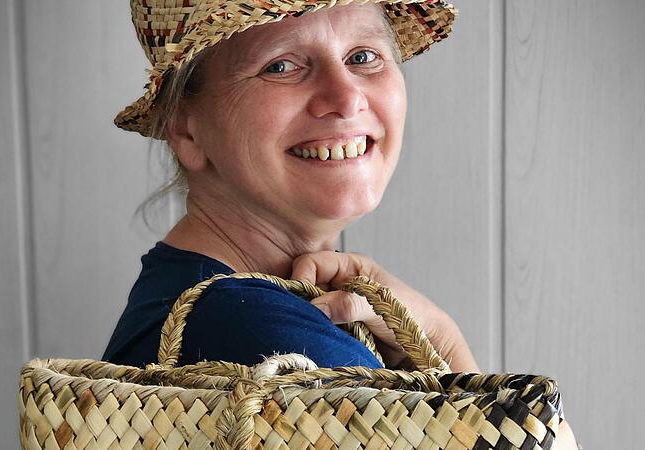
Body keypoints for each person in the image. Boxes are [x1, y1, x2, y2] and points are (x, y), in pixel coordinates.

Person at [103, 0, 578, 447]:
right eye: (282, 65)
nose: (346, 97)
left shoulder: (190, 296)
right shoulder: (272, 345)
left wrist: (429, 337)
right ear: (186, 127)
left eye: (363, 55)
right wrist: (449, 348)